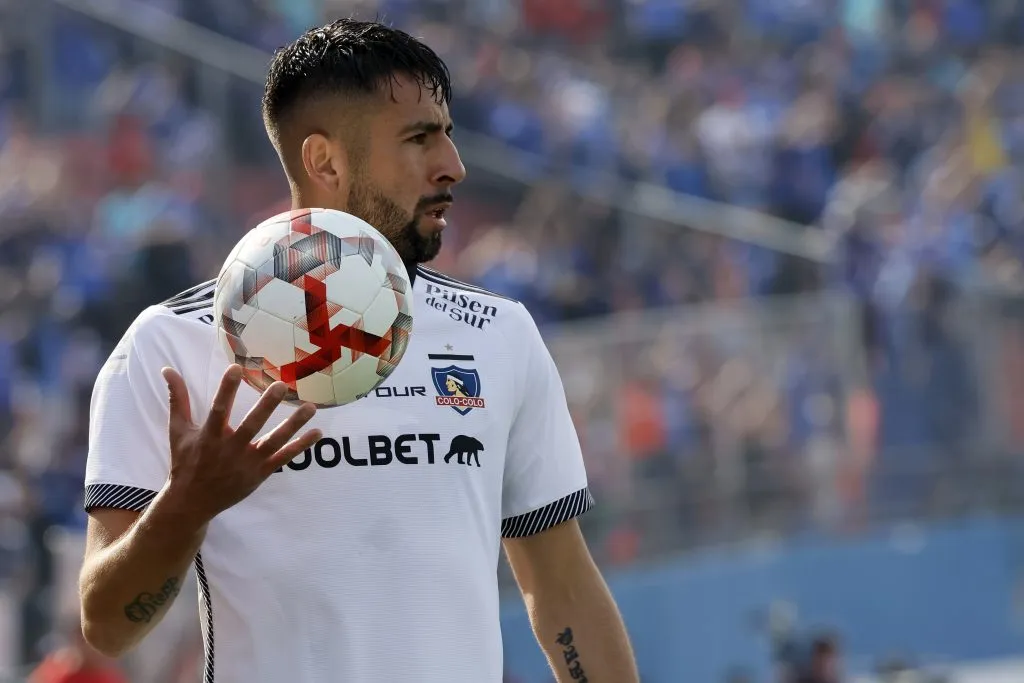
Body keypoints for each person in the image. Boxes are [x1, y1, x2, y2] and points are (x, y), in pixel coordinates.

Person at [77, 18, 639, 683]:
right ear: (325, 162)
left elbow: (563, 593)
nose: (453, 166)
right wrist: (187, 506)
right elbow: (109, 627)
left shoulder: (497, 334)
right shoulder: (169, 345)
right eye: (419, 138)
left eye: (449, 135)